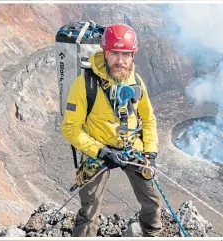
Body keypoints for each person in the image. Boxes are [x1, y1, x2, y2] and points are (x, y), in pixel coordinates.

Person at [61, 23, 162, 237]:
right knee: (89, 211)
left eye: (126, 54)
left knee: (152, 202)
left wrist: (150, 153)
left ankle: (151, 233)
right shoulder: (84, 85)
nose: (120, 60)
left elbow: (149, 119)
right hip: (98, 150)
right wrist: (102, 152)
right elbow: (70, 129)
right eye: (114, 53)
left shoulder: (137, 82)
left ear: (133, 56)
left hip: (131, 148)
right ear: (105, 53)